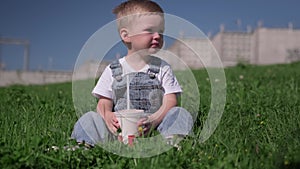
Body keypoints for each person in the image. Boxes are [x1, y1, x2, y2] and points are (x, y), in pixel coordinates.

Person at [71, 0, 193, 148]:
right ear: (126, 35)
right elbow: (104, 102)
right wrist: (108, 116)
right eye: (150, 31)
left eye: (161, 31)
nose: (157, 36)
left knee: (179, 113)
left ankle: (173, 140)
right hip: (118, 131)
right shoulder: (113, 69)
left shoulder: (162, 68)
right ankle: (83, 145)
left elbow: (171, 101)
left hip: (153, 126)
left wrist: (154, 120)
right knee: (89, 118)